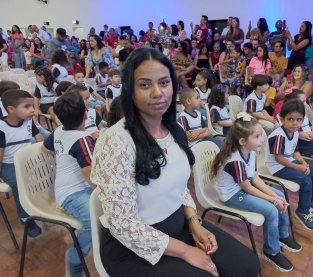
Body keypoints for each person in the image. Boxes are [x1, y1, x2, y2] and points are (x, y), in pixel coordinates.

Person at [90, 48, 260, 277]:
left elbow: (179, 188)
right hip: (133, 247)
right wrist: (185, 251)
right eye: (144, 85)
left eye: (164, 82)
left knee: (247, 265)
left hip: (179, 225)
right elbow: (122, 224)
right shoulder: (115, 140)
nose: (157, 92)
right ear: (130, 89)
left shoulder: (174, 130)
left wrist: (194, 222)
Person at [211, 113, 301, 272]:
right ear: (242, 141)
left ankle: (282, 234)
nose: (262, 139)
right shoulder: (236, 161)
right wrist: (272, 201)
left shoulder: (250, 152)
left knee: (279, 195)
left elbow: (255, 178)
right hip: (233, 196)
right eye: (257, 136)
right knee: (272, 210)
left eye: (261, 135)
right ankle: (271, 251)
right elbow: (248, 188)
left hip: (244, 188)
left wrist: (275, 197)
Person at [41, 92, 95, 277]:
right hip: (73, 194)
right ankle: (74, 259)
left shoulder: (59, 131)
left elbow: (44, 148)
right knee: (93, 219)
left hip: (68, 189)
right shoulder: (83, 139)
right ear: (85, 115)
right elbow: (90, 175)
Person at [268, 99, 313, 231]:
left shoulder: (295, 132)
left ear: (303, 120)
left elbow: (295, 151)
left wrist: (303, 163)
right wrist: (298, 167)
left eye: (298, 120)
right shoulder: (279, 136)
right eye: (290, 119)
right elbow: (279, 158)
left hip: (289, 162)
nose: (295, 123)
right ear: (282, 119)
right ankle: (303, 211)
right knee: (306, 181)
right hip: (277, 167)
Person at [0, 89, 44, 237]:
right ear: (11, 109)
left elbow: (39, 140)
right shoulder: (2, 128)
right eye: (27, 107)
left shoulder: (28, 121)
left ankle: (41, 205)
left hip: (27, 161)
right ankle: (25, 217)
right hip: (8, 164)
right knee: (20, 183)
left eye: (32, 106)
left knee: (46, 173)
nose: (32, 110)